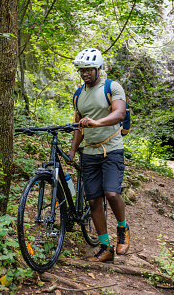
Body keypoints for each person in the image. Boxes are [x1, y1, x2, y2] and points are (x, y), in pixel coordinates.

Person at [68, 48, 130, 263]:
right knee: (94, 200)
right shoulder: (78, 94)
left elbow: (119, 113)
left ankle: (123, 229)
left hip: (111, 148)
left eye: (89, 70)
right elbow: (78, 125)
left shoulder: (111, 87)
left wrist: (97, 122)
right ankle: (106, 247)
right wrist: (73, 150)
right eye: (82, 70)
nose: (85, 73)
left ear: (98, 69)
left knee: (111, 193)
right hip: (90, 152)